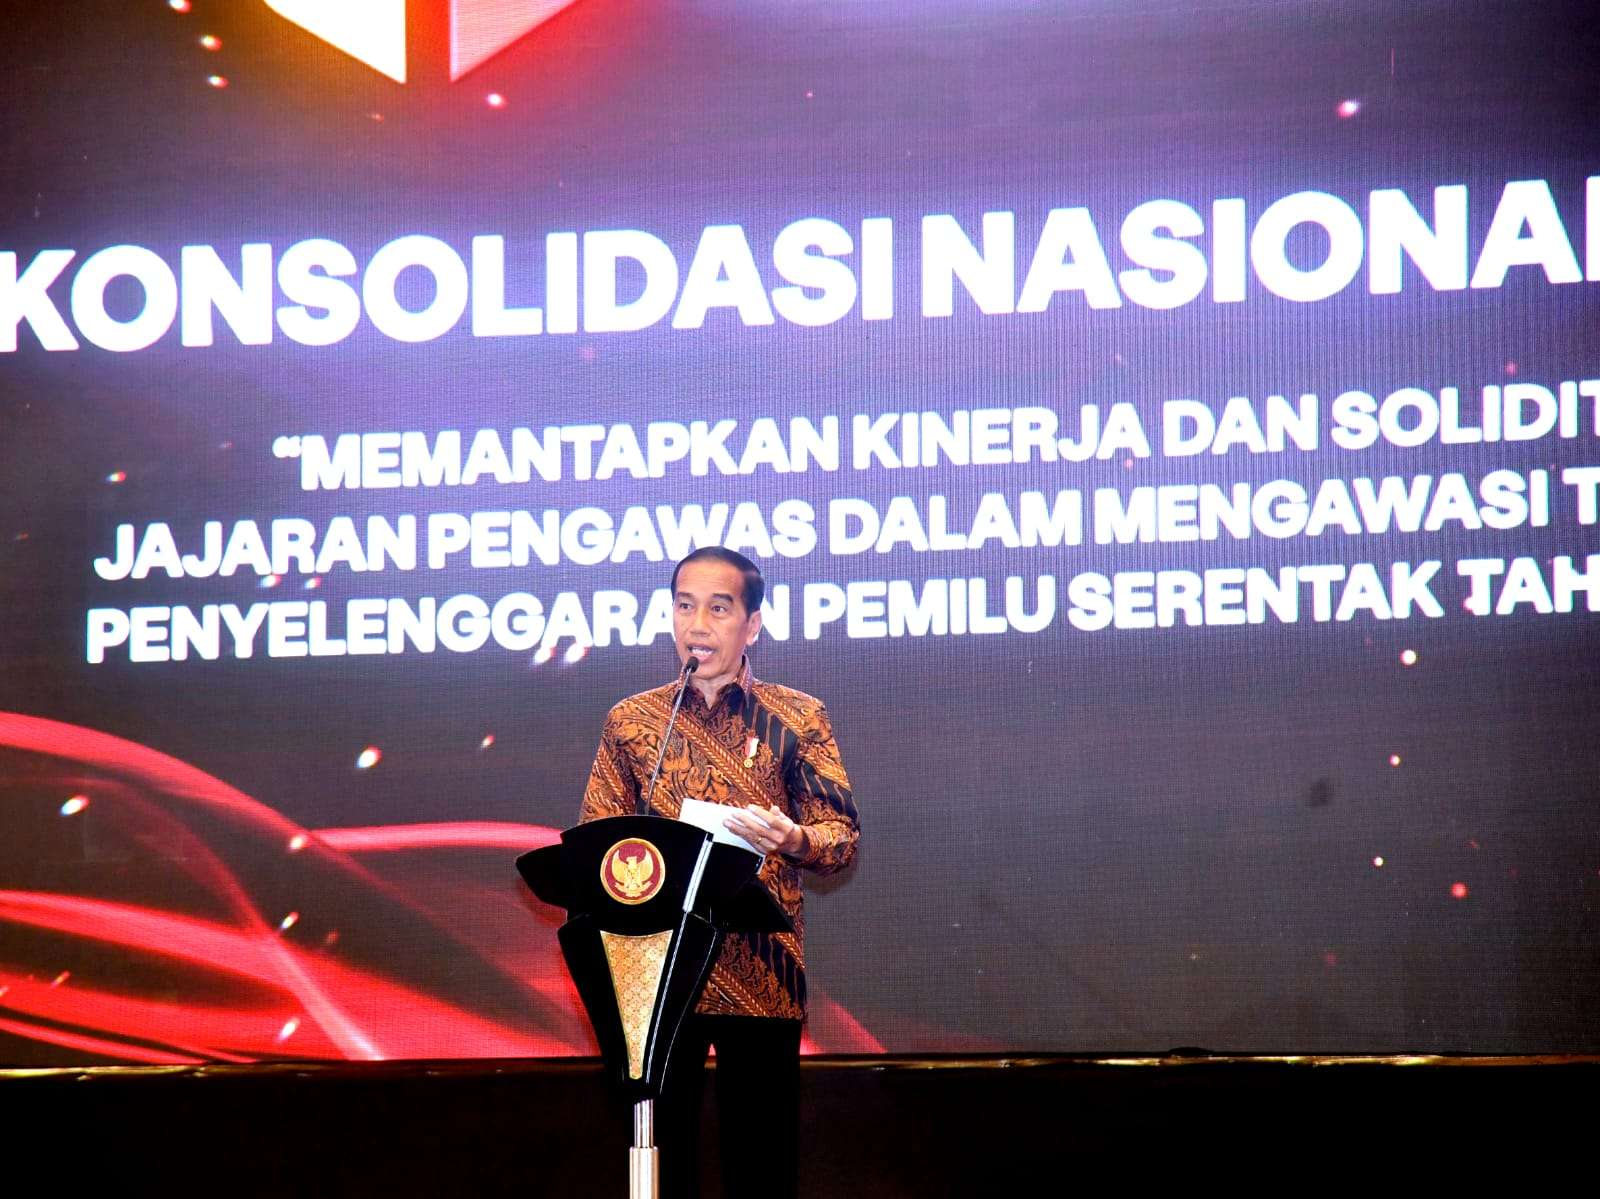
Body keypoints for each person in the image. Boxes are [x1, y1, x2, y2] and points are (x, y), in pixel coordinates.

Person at [579, 546, 860, 1199]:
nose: (698, 624)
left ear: (752, 624)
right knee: (662, 1161)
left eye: (718, 608)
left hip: (762, 970)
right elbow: (597, 839)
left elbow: (840, 836)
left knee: (761, 1167)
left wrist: (795, 837)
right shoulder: (633, 722)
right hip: (659, 975)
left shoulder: (798, 717)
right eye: (685, 606)